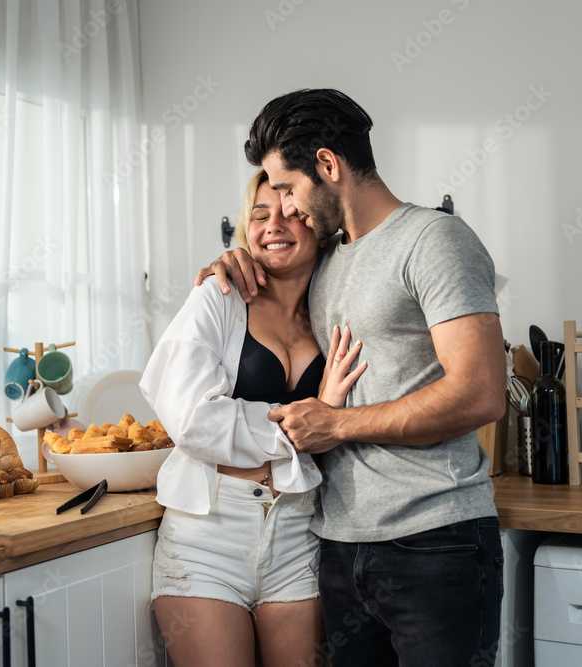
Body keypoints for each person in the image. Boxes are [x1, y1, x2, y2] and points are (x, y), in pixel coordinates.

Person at [197, 89, 508, 666]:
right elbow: (269, 269)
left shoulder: (435, 240)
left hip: (436, 541)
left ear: (327, 165)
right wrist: (229, 263)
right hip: (338, 547)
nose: (285, 207)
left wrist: (337, 425)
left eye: (288, 188)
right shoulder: (329, 260)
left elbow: (481, 392)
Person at [140, 169, 367, 667]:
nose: (273, 226)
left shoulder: (334, 311)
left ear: (318, 222)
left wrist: (327, 423)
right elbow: (193, 420)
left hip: (297, 535)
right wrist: (312, 422)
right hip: (206, 539)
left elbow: (347, 423)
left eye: (290, 213)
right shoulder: (218, 297)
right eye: (259, 215)